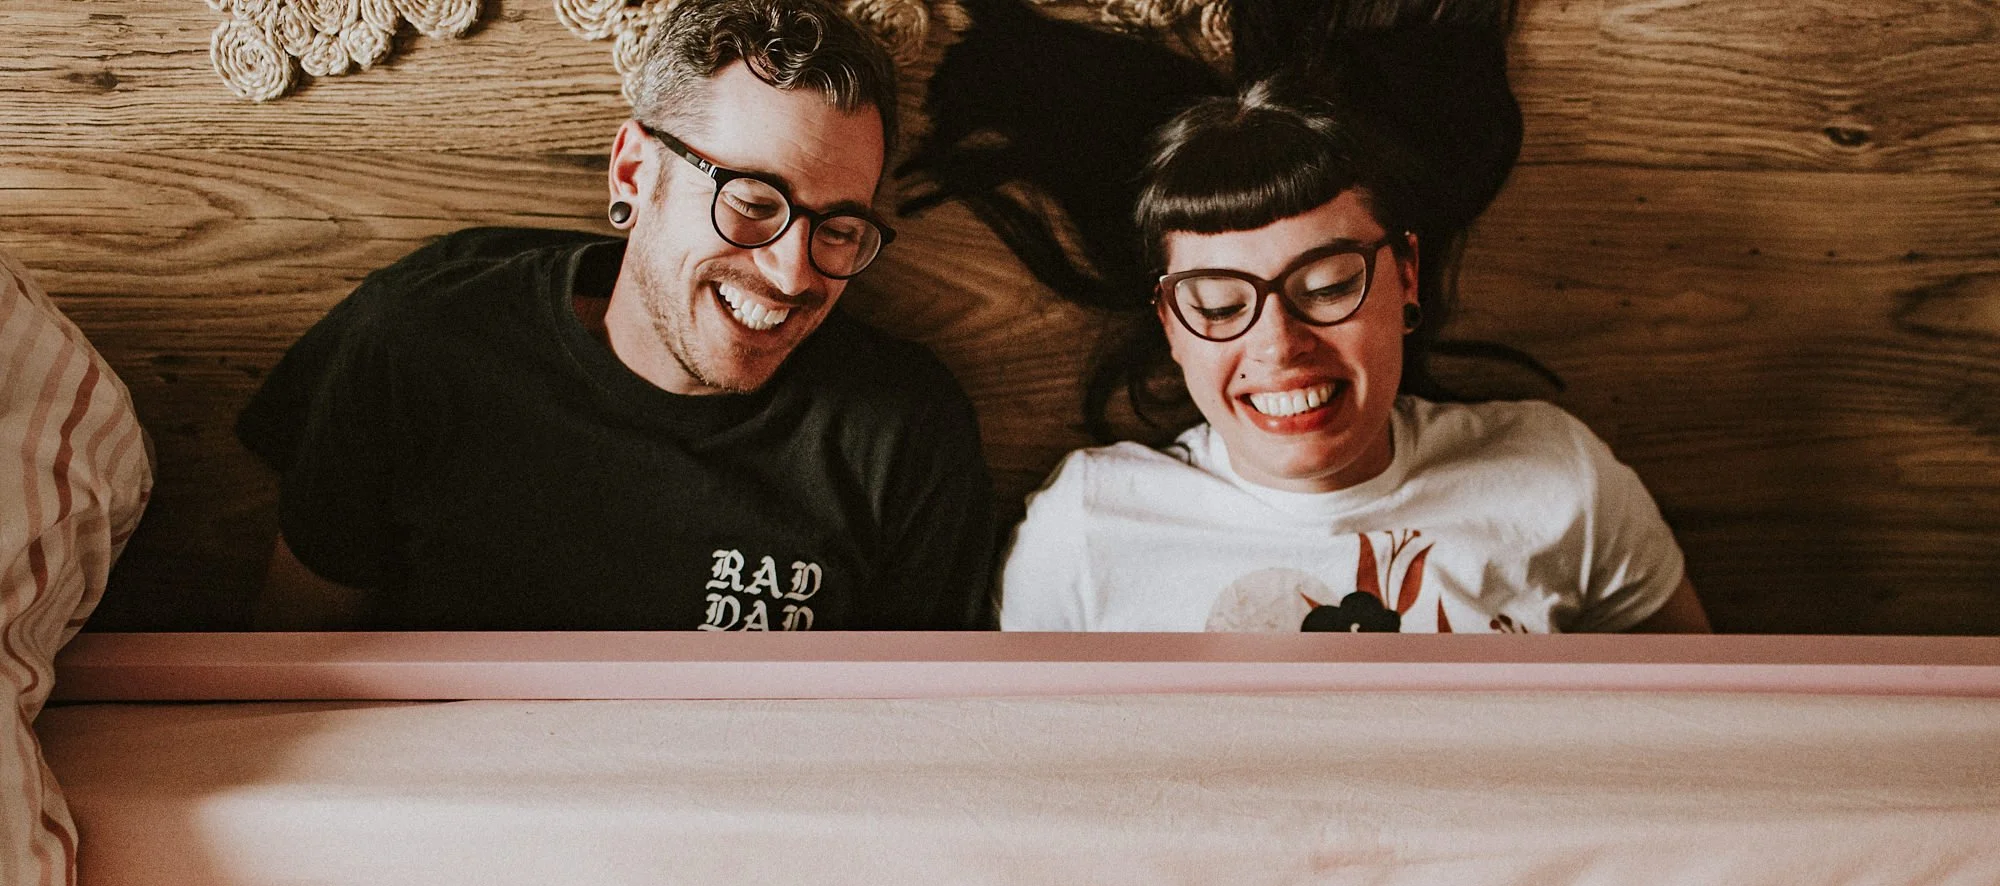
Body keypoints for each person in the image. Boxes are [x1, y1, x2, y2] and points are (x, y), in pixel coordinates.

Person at [241, 0, 994, 632]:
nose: (793, 272)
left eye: (837, 230)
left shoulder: (905, 433)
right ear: (636, 172)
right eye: (753, 204)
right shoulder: (424, 340)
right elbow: (292, 655)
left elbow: (915, 740)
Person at [996, 82, 1709, 634]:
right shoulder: (1085, 525)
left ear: (1405, 275)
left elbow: (1701, 733)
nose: (1278, 345)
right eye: (1218, 304)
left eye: (1329, 286)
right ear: (1173, 327)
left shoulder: (1558, 476)